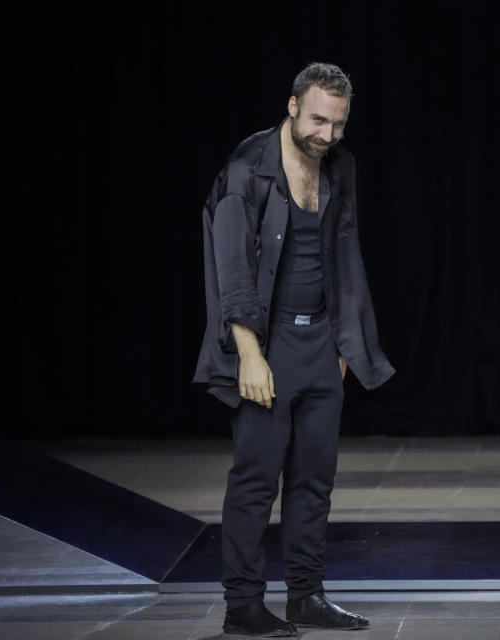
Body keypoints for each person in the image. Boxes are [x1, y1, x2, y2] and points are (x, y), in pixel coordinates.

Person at [193, 62, 395, 637]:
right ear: (291, 107)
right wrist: (250, 354)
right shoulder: (247, 168)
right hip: (267, 342)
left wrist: (343, 340)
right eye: (317, 120)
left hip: (320, 341)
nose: (326, 135)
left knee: (314, 477)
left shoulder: (339, 166)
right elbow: (232, 269)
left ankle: (307, 595)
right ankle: (243, 606)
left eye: (338, 124)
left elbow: (343, 253)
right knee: (256, 477)